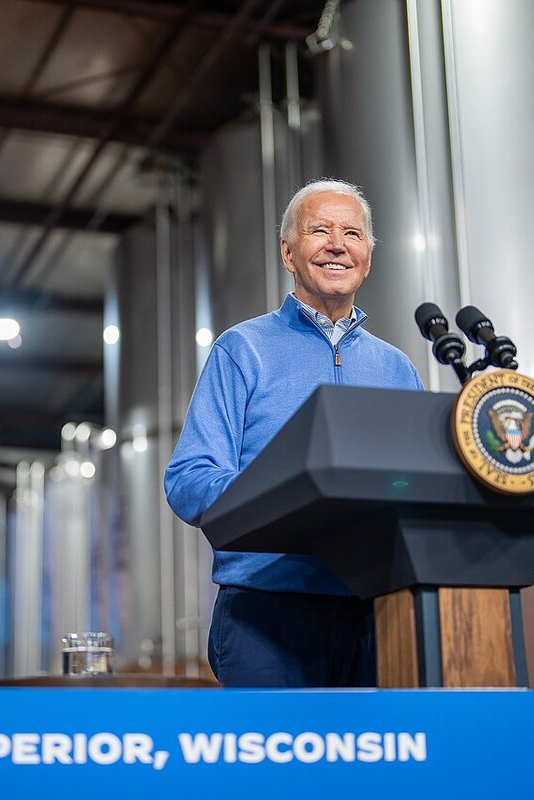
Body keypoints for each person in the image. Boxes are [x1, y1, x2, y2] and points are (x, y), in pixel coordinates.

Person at [164, 178, 424, 688]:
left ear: (368, 256)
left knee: (376, 767)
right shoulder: (242, 349)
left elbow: (417, 481)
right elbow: (189, 479)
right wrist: (282, 495)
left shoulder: (397, 367)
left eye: (352, 233)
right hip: (267, 613)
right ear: (288, 252)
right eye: (319, 230)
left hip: (377, 610)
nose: (337, 244)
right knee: (276, 768)